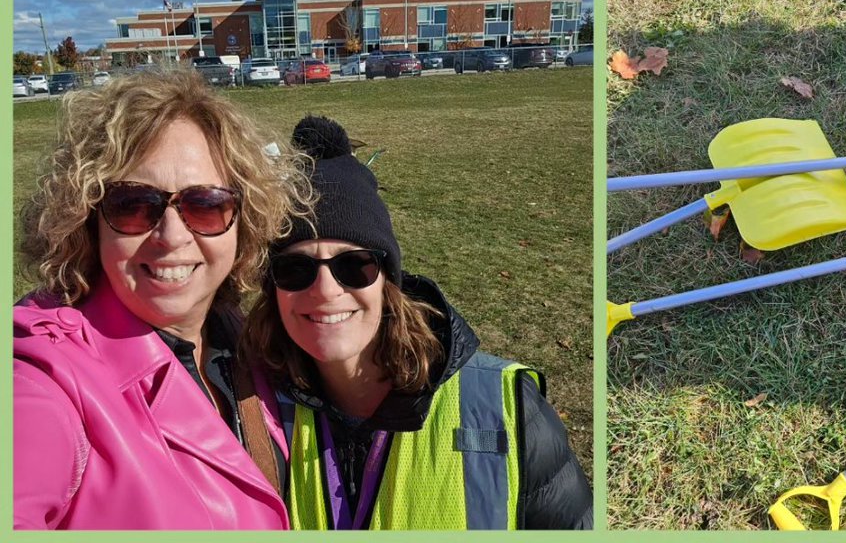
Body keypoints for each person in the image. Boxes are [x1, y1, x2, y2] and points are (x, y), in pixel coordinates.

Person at [243, 116, 593, 530]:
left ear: (388, 281)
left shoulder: (507, 410)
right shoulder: (248, 410)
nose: (325, 290)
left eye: (354, 266)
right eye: (295, 269)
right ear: (272, 291)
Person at [14, 72, 311, 529]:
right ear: (87, 221)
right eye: (133, 205)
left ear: (242, 220)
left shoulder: (250, 346)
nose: (171, 238)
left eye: (205, 204)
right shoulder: (45, 377)